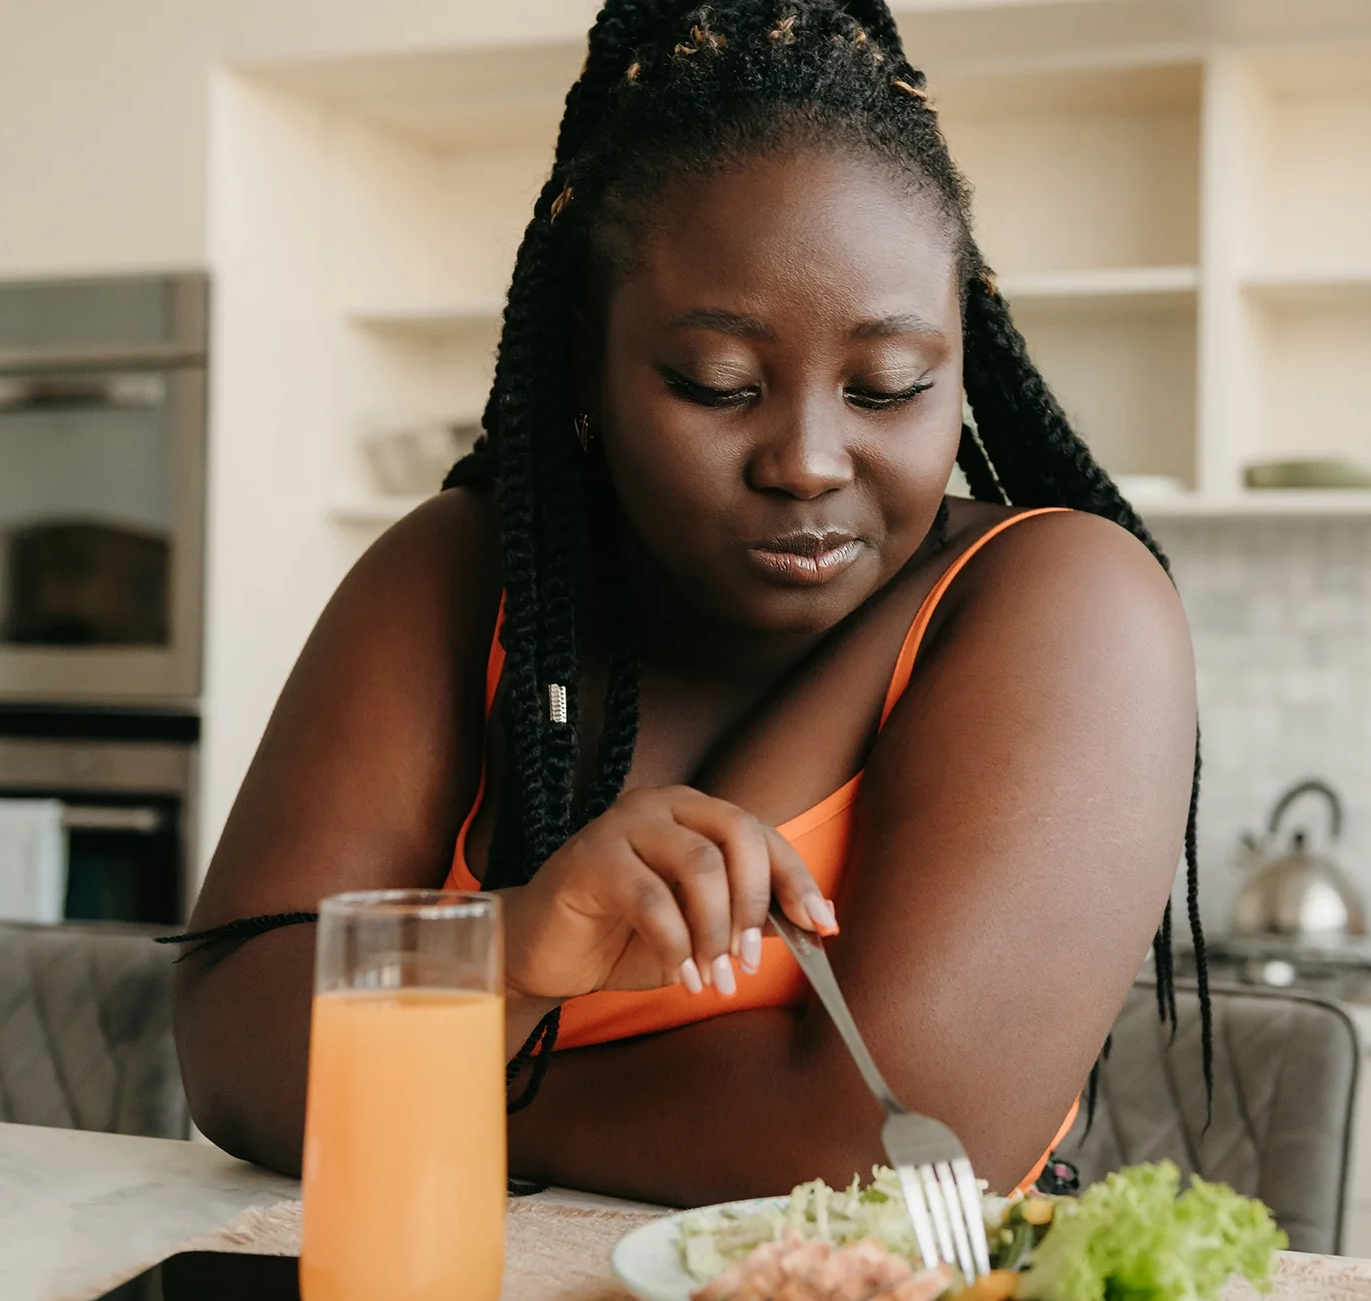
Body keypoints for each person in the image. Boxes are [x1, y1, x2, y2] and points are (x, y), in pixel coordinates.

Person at [171, 0, 1209, 1207]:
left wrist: (435, 1067)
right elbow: (234, 1050)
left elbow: (884, 1146)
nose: (809, 460)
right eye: (717, 386)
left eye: (890, 386)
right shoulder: (455, 576)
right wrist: (517, 950)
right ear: (586, 363)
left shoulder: (1067, 605)